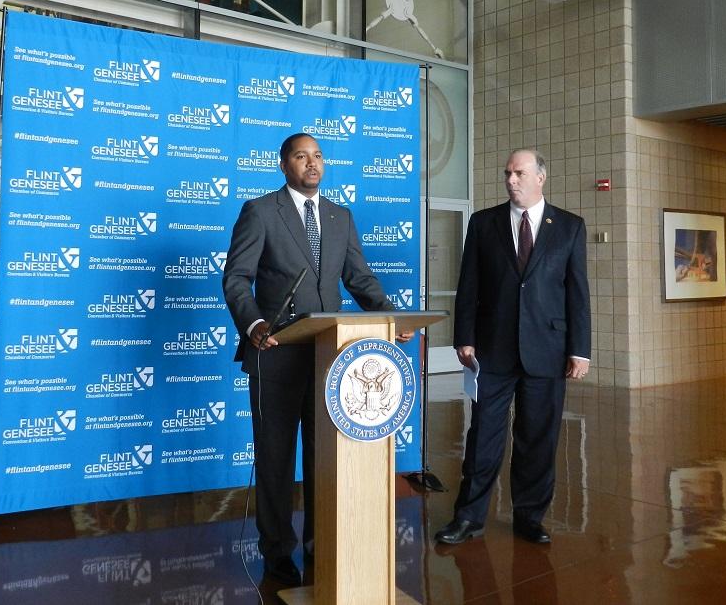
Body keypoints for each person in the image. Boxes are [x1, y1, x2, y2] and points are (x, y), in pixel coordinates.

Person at [223, 132, 413, 586]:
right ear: (283, 164)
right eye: (301, 156)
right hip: (276, 355)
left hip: (330, 359)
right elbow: (236, 278)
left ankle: (317, 547)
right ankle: (276, 554)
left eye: (318, 156)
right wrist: (255, 325)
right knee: (274, 458)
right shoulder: (260, 211)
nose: (312, 163)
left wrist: (389, 319)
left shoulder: (340, 216)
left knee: (322, 457)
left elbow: (360, 279)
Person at [435, 149, 590, 546]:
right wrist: (463, 338)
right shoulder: (483, 223)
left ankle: (529, 517)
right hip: (492, 350)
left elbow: (577, 293)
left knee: (538, 439)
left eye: (519, 173)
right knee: (483, 436)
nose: (511, 180)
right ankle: (469, 518)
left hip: (548, 351)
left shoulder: (569, 226)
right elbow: (468, 285)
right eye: (507, 173)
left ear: (541, 177)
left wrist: (580, 349)